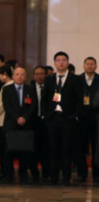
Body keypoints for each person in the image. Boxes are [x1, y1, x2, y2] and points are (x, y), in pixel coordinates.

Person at [43, 52, 83, 186]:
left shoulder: (75, 79)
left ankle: (66, 177)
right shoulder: (49, 79)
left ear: (67, 62)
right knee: (53, 148)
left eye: (64, 60)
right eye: (58, 60)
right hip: (52, 118)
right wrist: (45, 114)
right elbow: (44, 98)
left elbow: (79, 100)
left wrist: (74, 115)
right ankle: (53, 177)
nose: (61, 62)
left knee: (67, 148)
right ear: (54, 63)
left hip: (68, 119)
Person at [2, 67, 37, 183]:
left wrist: (24, 118)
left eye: (22, 74)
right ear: (13, 76)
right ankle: (9, 174)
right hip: (11, 124)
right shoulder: (7, 89)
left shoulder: (31, 89)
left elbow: (33, 106)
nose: (20, 76)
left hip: (26, 124)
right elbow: (7, 106)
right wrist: (17, 118)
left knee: (24, 151)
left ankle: (23, 174)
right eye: (17, 74)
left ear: (26, 77)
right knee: (8, 151)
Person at [74, 57, 99, 183]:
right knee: (80, 146)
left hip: (96, 117)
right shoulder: (77, 80)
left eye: (92, 64)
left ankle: (97, 174)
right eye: (87, 64)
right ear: (84, 66)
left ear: (96, 66)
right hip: (81, 117)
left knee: (96, 146)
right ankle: (81, 173)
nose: (89, 66)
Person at [30, 66, 50, 182]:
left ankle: (46, 173)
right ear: (33, 76)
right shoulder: (29, 89)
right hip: (33, 122)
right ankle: (34, 174)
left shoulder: (50, 88)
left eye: (41, 74)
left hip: (47, 122)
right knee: (33, 148)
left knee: (46, 148)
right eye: (36, 74)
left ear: (45, 75)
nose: (39, 76)